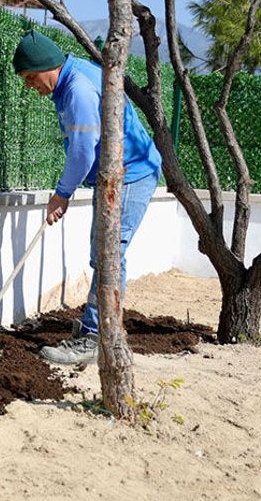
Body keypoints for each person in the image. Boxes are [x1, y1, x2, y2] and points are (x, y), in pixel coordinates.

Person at [12, 29, 162, 364]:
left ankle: (96, 338)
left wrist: (61, 195)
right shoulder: (72, 77)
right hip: (115, 176)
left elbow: (82, 153)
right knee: (103, 253)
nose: (30, 86)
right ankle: (98, 330)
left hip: (131, 175)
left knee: (109, 254)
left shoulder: (77, 89)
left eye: (31, 77)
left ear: (49, 66)